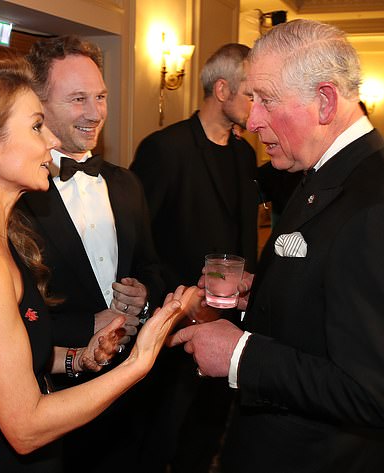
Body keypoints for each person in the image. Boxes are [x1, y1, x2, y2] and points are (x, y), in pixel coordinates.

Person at [0, 58, 184, 473]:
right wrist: (140, 359)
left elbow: (11, 356)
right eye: (36, 127)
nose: (49, 143)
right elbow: (25, 428)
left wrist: (78, 359)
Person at [169, 19, 384, 473]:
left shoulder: (380, 209)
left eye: (265, 100)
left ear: (325, 101)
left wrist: (239, 354)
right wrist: (268, 292)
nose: (252, 121)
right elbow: (333, 287)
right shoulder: (330, 171)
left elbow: (373, 392)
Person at [18, 36, 165, 472]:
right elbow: (8, 317)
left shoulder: (126, 183)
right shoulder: (15, 196)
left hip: (128, 386)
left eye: (100, 96)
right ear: (38, 104)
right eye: (78, 98)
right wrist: (88, 324)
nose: (96, 112)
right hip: (53, 394)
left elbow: (152, 264)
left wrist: (145, 292)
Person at [130, 43, 259, 473]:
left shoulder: (245, 154)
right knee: (161, 435)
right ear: (222, 89)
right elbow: (138, 240)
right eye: (250, 93)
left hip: (231, 322)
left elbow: (243, 238)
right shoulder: (165, 148)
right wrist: (182, 302)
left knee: (207, 434)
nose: (257, 105)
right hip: (175, 322)